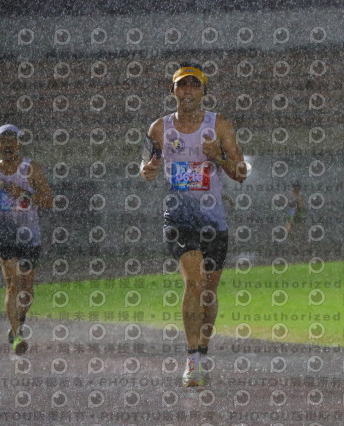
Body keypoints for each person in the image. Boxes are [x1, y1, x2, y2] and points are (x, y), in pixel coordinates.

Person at [141, 63, 247, 387]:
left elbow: (241, 173)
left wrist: (219, 157)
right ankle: (191, 359)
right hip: (179, 217)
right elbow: (146, 165)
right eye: (182, 85)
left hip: (213, 219)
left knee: (209, 293)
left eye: (194, 85)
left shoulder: (220, 125)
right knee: (194, 282)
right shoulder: (159, 129)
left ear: (204, 91)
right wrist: (147, 170)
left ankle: (202, 349)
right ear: (172, 90)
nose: (188, 91)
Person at [0, 124, 53, 355]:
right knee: (12, 285)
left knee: (26, 290)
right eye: (4, 141)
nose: (8, 145)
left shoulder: (31, 169)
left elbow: (48, 200)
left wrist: (24, 193)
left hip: (30, 236)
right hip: (6, 234)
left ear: (18, 144)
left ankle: (20, 319)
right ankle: (18, 336)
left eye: (12, 140)